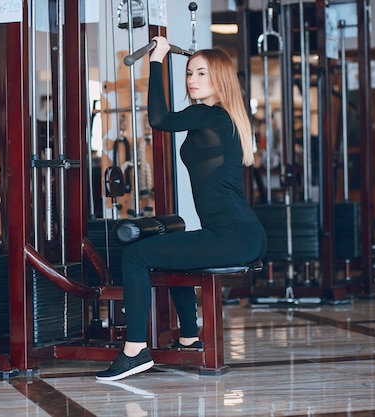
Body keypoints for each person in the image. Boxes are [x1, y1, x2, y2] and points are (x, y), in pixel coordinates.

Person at [96, 37, 267, 381]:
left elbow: (158, 119)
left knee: (136, 256)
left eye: (201, 73)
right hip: (240, 233)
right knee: (170, 252)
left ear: (219, 78)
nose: (192, 79)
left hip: (233, 234)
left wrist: (157, 60)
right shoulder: (224, 118)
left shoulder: (208, 115)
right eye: (189, 72)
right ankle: (189, 338)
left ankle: (134, 351)